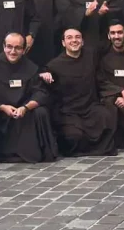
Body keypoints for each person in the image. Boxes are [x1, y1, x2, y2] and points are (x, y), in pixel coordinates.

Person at [0, 33, 59, 163]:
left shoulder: (31, 67)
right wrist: (2, 107)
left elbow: (41, 93)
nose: (13, 51)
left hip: (24, 113)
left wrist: (25, 107)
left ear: (24, 49)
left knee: (41, 111)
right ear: (3, 46)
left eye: (18, 48)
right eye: (9, 47)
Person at [45, 28, 117, 157]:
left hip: (90, 107)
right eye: (69, 38)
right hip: (68, 111)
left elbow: (110, 45)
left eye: (77, 37)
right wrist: (43, 74)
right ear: (63, 43)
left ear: (82, 41)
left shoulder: (91, 57)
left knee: (105, 116)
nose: (74, 40)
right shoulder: (54, 65)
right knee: (74, 135)